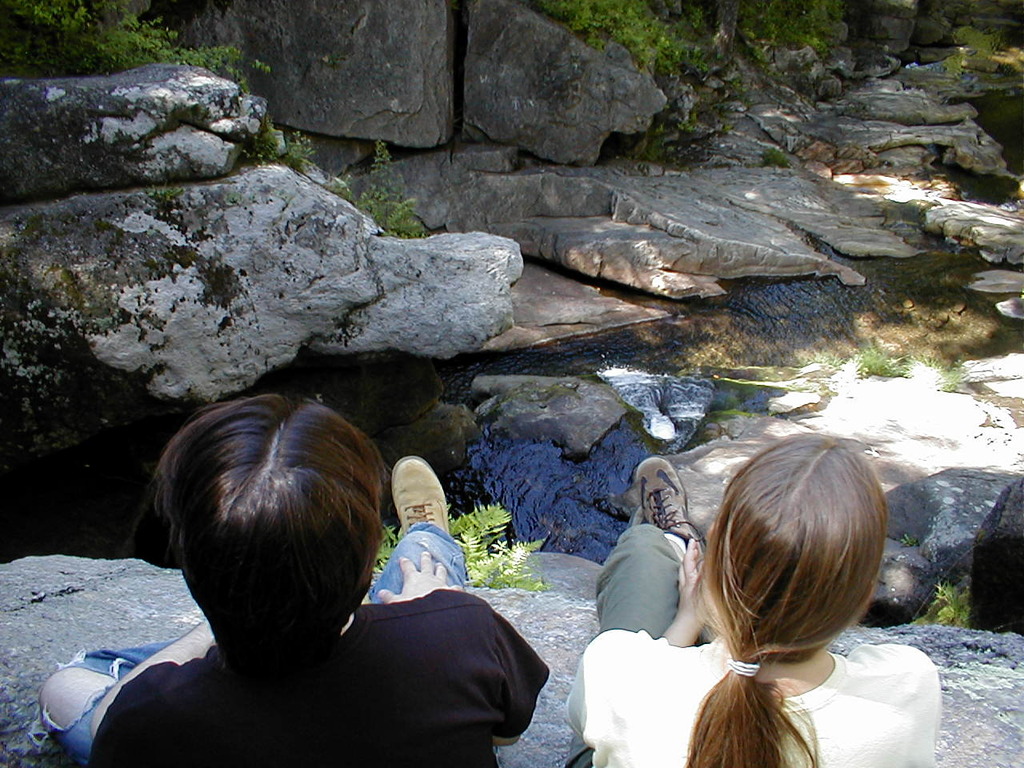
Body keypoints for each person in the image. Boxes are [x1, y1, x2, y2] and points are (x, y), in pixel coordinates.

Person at [38, 395, 548, 767]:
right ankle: (426, 536)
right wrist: (432, 612)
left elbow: (112, 721)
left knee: (66, 687)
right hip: (414, 648)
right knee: (425, 561)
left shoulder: (150, 716)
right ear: (368, 548)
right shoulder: (461, 630)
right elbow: (503, 738)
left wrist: (235, 615)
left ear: (189, 564)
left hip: (197, 691)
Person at [566, 434, 941, 768]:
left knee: (643, 550)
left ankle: (673, 538)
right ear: (865, 595)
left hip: (649, 694)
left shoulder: (616, 670)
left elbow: (594, 722)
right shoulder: (908, 685)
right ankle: (681, 542)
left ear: (716, 562)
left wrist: (687, 620)